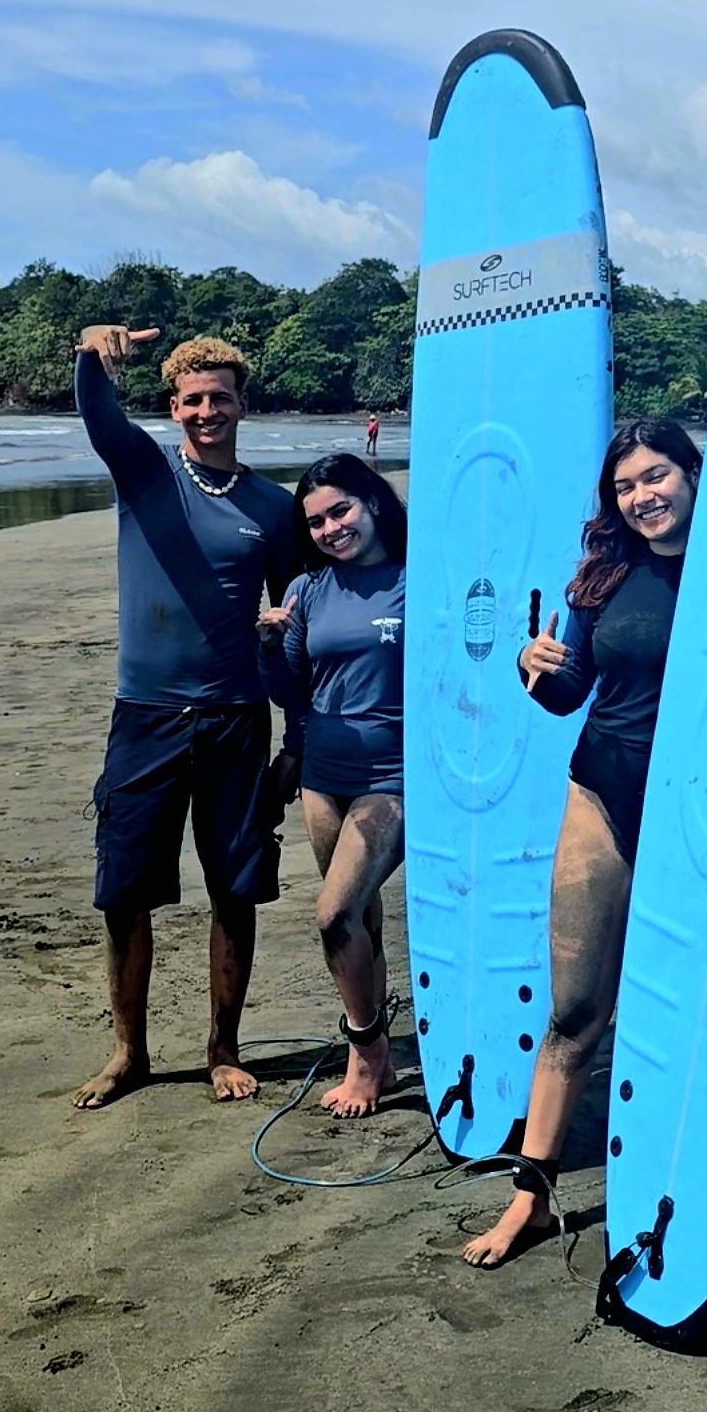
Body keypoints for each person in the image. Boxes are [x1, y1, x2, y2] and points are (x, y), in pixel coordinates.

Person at [463, 419, 701, 1268]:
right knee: (573, 1012)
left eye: (656, 475)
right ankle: (529, 1196)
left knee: (689, 1011)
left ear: (692, 472)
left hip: (703, 816)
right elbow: (569, 694)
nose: (643, 496)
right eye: (627, 486)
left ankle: (704, 1180)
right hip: (600, 794)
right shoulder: (603, 578)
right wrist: (535, 668)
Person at [72, 327, 300, 1109]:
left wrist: (296, 736)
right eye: (194, 400)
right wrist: (89, 354)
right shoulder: (144, 473)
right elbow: (100, 418)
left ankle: (222, 1050)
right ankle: (129, 1052)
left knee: (235, 890)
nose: (208, 411)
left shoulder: (274, 509)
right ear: (174, 408)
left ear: (243, 405)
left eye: (221, 398)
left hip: (236, 720)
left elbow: (301, 619)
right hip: (145, 717)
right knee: (123, 892)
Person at [258, 455, 407, 1118]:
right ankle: (375, 1052)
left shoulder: (419, 580)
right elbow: (292, 690)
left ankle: (368, 1055)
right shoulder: (307, 590)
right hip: (325, 774)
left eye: (340, 510)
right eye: (315, 520)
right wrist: (269, 645)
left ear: (373, 503)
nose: (329, 528)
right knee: (361, 919)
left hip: (395, 776)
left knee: (333, 912)